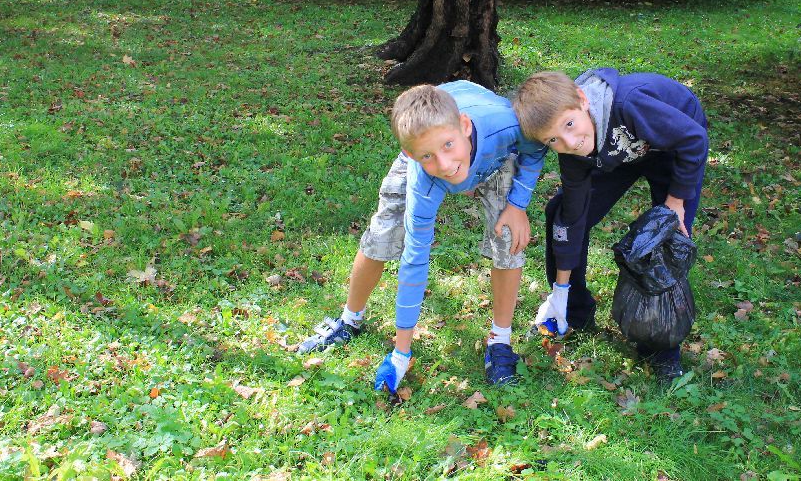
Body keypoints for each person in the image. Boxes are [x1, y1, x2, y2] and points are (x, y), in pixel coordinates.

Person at [298, 82, 546, 393]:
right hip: (434, 142)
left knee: (508, 238)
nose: (444, 165)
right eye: (427, 156)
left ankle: (500, 341)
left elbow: (536, 146)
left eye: (447, 147)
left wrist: (518, 205)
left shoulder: (505, 125)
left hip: (492, 154)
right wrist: (401, 353)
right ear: (410, 154)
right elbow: (415, 259)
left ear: (465, 126)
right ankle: (349, 319)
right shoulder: (424, 178)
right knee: (383, 232)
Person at [513, 69, 708, 383]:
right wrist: (559, 291)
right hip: (624, 151)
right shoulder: (574, 151)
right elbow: (573, 218)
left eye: (569, 124)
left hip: (676, 147)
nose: (569, 142)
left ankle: (662, 349)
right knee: (559, 211)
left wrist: (675, 201)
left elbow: (694, 140)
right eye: (553, 140)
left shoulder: (631, 103)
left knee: (665, 240)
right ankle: (572, 312)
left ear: (582, 100)